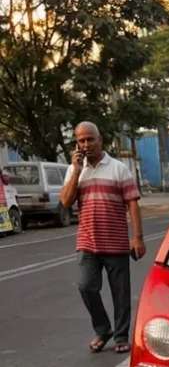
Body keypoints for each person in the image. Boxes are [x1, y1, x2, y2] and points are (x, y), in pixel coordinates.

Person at [60, 121, 146, 353]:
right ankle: (102, 329)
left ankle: (120, 336)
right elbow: (66, 202)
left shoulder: (119, 168)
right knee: (86, 286)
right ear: (77, 143)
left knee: (120, 293)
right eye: (81, 140)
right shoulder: (74, 170)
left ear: (100, 140)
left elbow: (132, 204)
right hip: (87, 242)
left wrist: (137, 237)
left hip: (116, 242)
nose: (86, 144)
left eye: (90, 139)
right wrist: (77, 170)